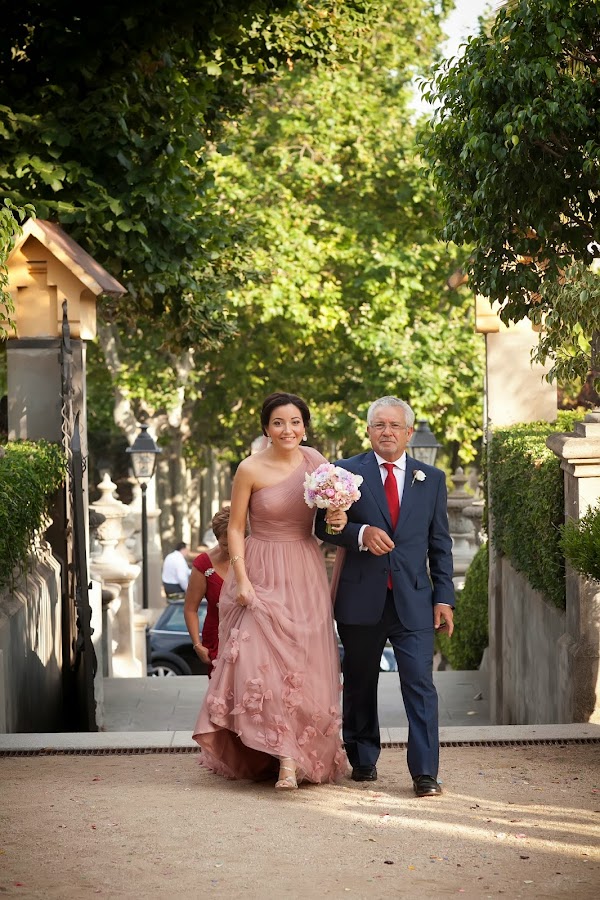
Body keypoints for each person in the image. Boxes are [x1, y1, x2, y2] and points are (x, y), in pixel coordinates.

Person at [193, 392, 348, 790]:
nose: (287, 430)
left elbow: (328, 520)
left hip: (304, 569)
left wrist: (338, 515)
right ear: (266, 428)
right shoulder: (249, 468)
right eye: (278, 422)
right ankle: (284, 758)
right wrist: (241, 579)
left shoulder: (317, 462)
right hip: (260, 568)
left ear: (305, 427)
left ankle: (298, 753)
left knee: (303, 667)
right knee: (258, 663)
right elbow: (235, 527)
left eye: (295, 422)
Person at [315, 396, 455, 798]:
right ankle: (363, 759)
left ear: (409, 433)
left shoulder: (432, 479)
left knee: (421, 686)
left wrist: (444, 598)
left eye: (394, 425)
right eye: (379, 425)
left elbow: (440, 544)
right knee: (360, 682)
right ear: (368, 431)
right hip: (361, 599)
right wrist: (360, 534)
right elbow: (323, 527)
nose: (387, 432)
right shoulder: (343, 472)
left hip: (415, 600)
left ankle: (425, 773)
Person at [184, 507, 231, 670]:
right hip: (216, 639)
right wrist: (197, 645)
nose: (230, 549)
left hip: (252, 638)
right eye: (225, 544)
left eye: (235, 543)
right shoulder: (204, 564)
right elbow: (190, 609)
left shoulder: (255, 557)